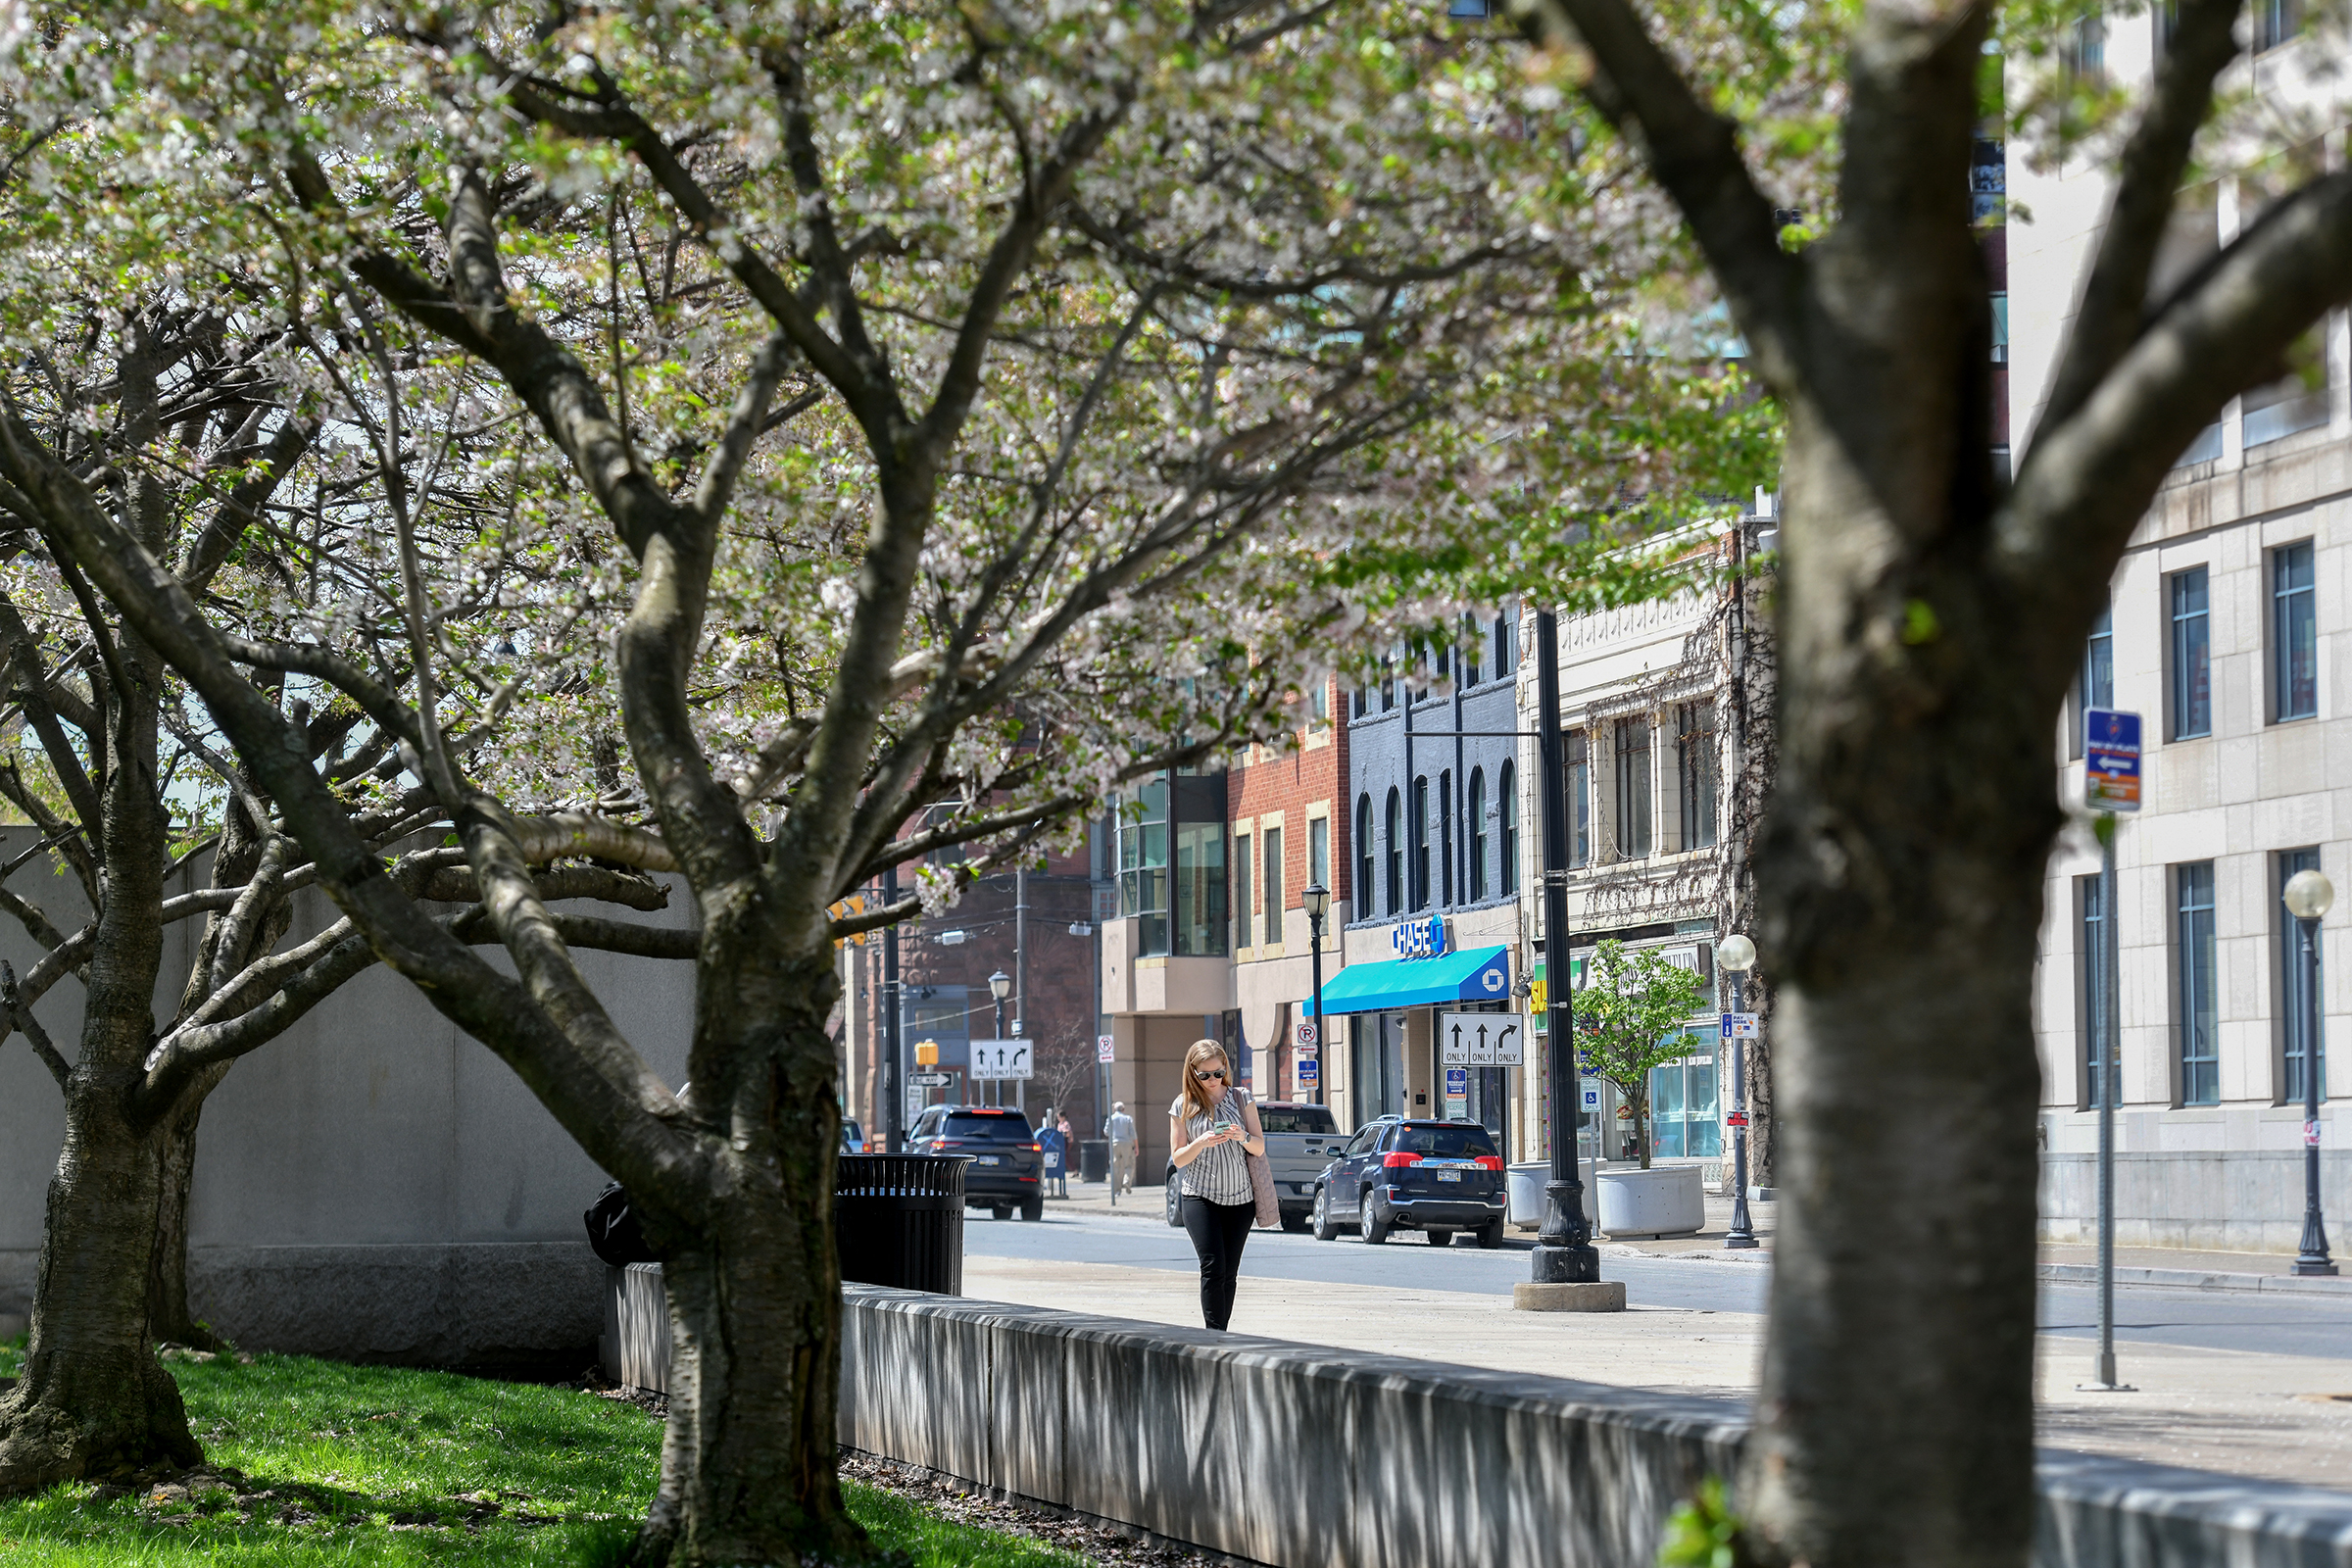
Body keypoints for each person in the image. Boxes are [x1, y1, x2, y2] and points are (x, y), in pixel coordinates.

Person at [1167, 1039, 1264, 1331]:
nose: (1213, 1080)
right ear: (1192, 1072)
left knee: (1229, 1272)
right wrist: (1201, 1142)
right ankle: (1213, 1336)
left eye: (1218, 1073)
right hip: (1200, 1197)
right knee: (1212, 1267)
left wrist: (1242, 1137)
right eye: (1205, 1075)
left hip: (1240, 1199)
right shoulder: (1182, 1105)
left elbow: (1259, 1148)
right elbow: (1178, 1158)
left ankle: (1221, 1333)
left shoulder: (1241, 1097)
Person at [1106, 1101, 1138, 1195]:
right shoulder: (1128, 1118)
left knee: (1115, 1167)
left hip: (1115, 1143)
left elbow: (1106, 1131)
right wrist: (1136, 1146)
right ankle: (1126, 1181)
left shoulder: (1111, 1118)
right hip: (1127, 1143)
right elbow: (1133, 1134)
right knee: (1129, 1165)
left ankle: (1117, 1190)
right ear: (1123, 1109)